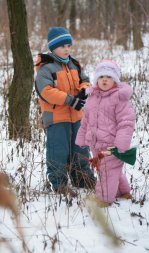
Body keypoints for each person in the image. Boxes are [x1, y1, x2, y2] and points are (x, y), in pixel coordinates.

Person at [35, 27, 96, 197]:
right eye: (62, 46)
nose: (67, 49)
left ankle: (82, 178)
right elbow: (46, 91)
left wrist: (85, 90)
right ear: (53, 47)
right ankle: (59, 184)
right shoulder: (45, 68)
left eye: (69, 45)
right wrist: (71, 100)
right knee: (58, 151)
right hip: (56, 118)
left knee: (80, 149)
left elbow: (85, 81)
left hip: (77, 117)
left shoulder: (73, 64)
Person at [75, 59, 136, 207]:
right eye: (101, 77)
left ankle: (103, 199)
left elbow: (126, 122)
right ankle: (123, 192)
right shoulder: (93, 97)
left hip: (111, 145)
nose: (105, 80)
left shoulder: (119, 98)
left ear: (115, 80)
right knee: (109, 169)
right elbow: (86, 120)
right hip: (95, 144)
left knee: (108, 172)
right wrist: (82, 137)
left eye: (109, 77)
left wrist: (121, 143)